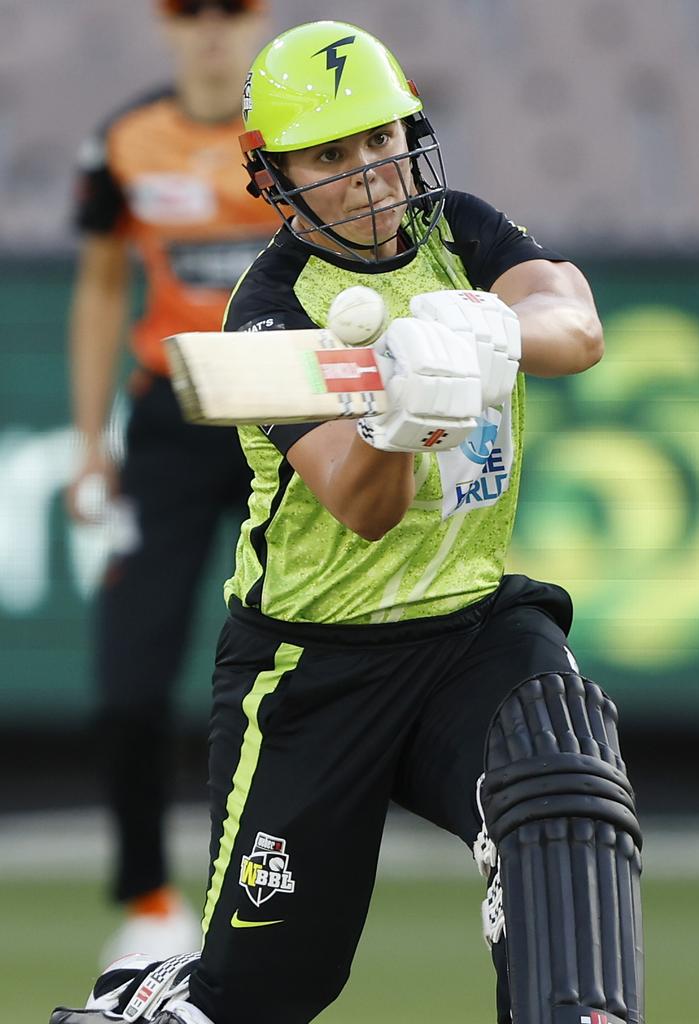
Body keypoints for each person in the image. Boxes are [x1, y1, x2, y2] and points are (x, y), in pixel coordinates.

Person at [53, 19, 644, 1024]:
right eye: (331, 154)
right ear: (274, 175)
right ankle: (164, 998)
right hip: (313, 665)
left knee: (563, 778)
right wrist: (405, 406)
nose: (370, 172)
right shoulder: (271, 308)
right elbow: (363, 508)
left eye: (382, 138)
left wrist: (485, 331)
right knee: (268, 992)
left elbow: (575, 326)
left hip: (470, 630)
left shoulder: (460, 230)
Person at [66, 0, 279, 965]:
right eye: (190, 8)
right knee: (129, 679)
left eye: (229, 8)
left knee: (317, 663)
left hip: (285, 412)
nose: (210, 28)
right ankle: (148, 900)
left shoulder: (290, 143)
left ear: (257, 19)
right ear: (164, 22)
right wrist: (88, 443)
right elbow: (103, 283)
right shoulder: (124, 143)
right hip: (170, 420)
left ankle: (282, 882)